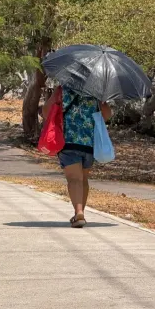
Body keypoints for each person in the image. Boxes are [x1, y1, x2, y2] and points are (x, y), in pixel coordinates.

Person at [42, 86, 112, 228]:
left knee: (74, 179)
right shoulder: (96, 91)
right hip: (89, 144)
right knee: (83, 180)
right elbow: (106, 116)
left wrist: (54, 95)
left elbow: (45, 112)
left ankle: (79, 212)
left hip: (68, 142)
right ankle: (80, 212)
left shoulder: (62, 89)